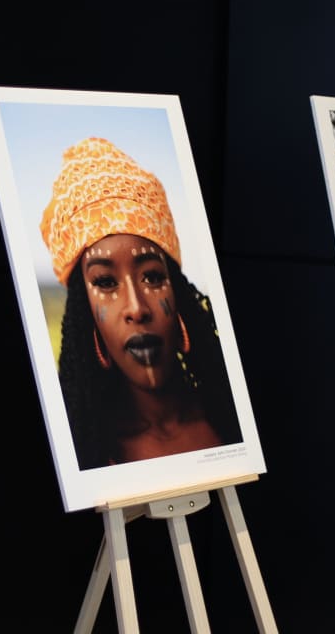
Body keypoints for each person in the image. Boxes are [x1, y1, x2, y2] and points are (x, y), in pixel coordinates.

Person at [41, 137, 241, 470]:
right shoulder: (87, 452)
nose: (137, 308)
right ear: (84, 312)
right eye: (105, 282)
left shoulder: (230, 416)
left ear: (177, 291)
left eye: (151, 276)